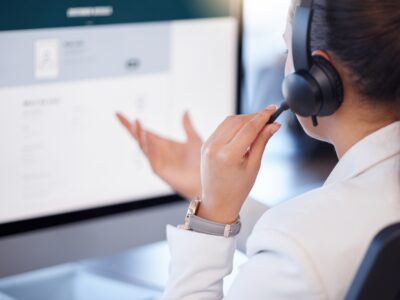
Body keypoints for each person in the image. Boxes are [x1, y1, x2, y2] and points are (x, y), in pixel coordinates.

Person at [117, 0, 400, 298]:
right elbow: (317, 234)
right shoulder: (326, 228)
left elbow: (301, 245)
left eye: (286, 51)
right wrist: (211, 190)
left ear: (318, 76)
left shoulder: (299, 249)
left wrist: (210, 218)